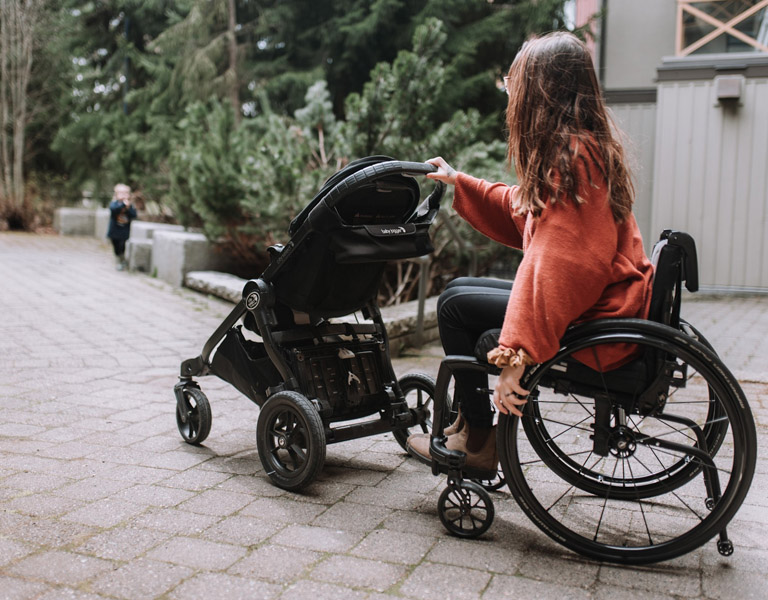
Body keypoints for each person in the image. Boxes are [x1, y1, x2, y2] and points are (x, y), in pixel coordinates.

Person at [406, 31, 654, 477]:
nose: (510, 93)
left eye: (514, 83)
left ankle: (479, 439)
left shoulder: (574, 159)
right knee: (459, 291)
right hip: (605, 303)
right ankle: (468, 423)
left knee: (455, 306)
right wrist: (461, 182)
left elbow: (561, 265)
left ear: (542, 92)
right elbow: (529, 211)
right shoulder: (582, 149)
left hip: (597, 317)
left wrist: (516, 357)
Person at [107, 183, 137, 271]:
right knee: (116, 246)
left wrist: (128, 208)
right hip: (114, 231)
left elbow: (134, 215)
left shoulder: (130, 205)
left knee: (122, 246)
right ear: (116, 194)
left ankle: (121, 260)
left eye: (125, 193)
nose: (123, 195)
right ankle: (118, 259)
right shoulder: (114, 204)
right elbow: (114, 210)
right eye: (121, 193)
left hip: (124, 231)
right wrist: (123, 205)